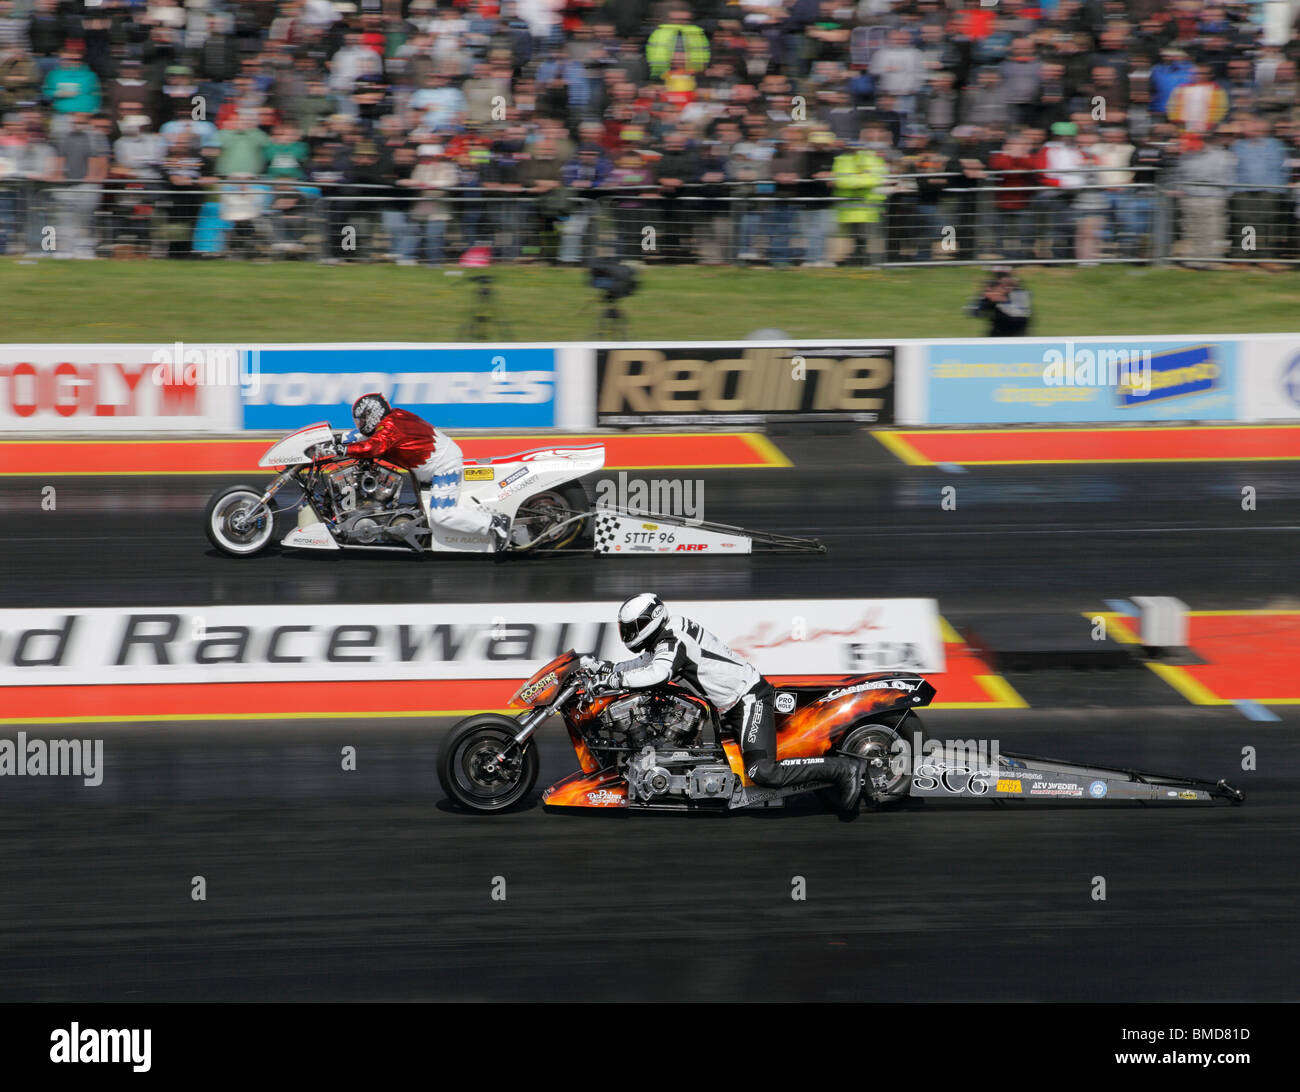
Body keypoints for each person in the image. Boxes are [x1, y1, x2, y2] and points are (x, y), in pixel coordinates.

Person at [586, 594, 868, 815]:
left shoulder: (673, 642)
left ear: (650, 621)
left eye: (631, 628)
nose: (628, 634)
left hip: (748, 698)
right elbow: (648, 662)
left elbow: (658, 672)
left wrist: (612, 680)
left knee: (761, 771)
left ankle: (842, 769)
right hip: (727, 704)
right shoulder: (668, 634)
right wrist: (605, 668)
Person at [342, 394, 509, 551]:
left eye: (363, 419)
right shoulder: (393, 417)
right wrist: (337, 440)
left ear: (374, 414)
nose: (361, 423)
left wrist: (343, 449)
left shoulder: (391, 428)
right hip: (434, 463)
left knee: (442, 516)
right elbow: (362, 437)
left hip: (443, 466)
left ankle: (494, 523)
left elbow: (372, 447)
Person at [966, 268, 1031, 336]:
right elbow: (974, 312)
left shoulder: (1019, 292)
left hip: (1017, 336)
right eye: (998, 276)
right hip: (996, 334)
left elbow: (1020, 315)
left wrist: (1003, 300)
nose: (1000, 280)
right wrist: (985, 299)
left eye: (1004, 276)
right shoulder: (992, 290)